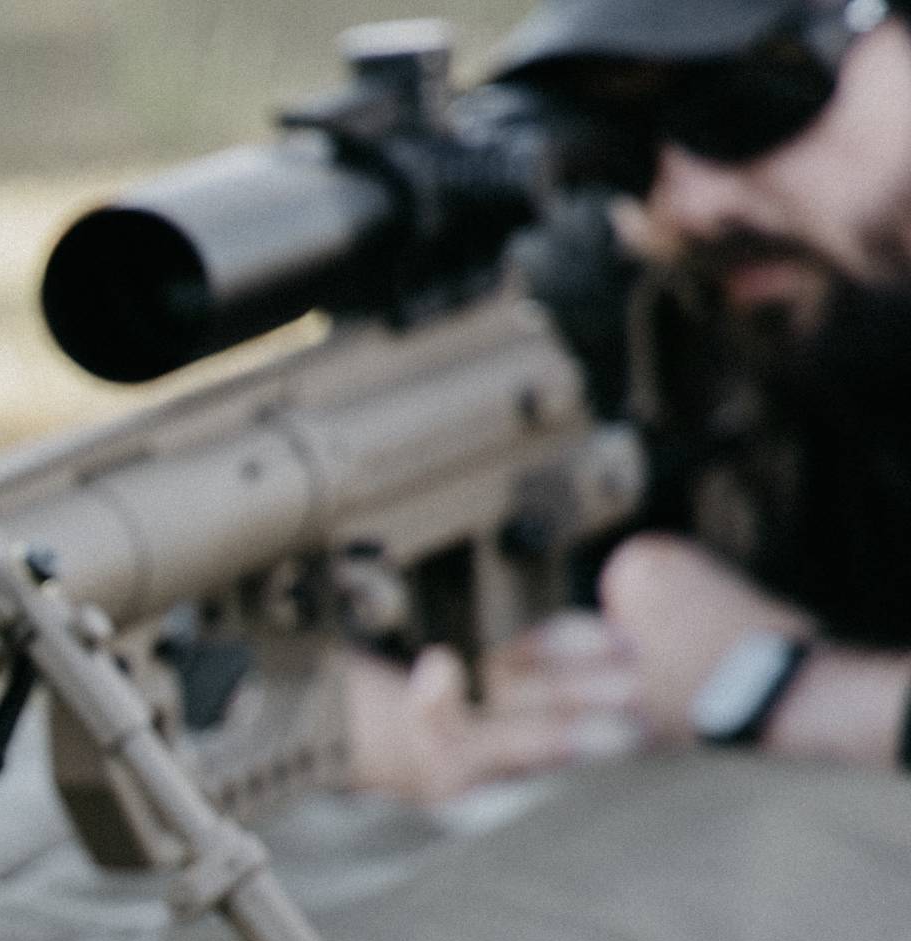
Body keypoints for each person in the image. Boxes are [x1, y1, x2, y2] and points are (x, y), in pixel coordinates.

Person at [347, 0, 911, 801]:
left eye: (746, 106)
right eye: (631, 143)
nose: (689, 204)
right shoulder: (629, 301)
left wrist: (777, 689)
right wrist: (420, 733)